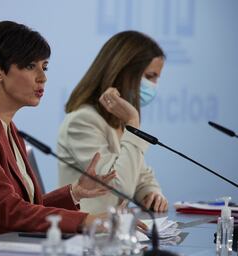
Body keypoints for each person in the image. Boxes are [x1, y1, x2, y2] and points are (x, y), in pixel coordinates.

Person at [0, 21, 121, 239]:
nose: (42, 77)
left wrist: (74, 192)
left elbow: (26, 206)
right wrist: (88, 220)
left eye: (44, 67)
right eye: (29, 66)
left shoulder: (5, 124)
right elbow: (8, 211)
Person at [57, 30, 168, 214]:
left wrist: (151, 192)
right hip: (84, 234)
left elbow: (138, 173)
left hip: (109, 232)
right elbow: (119, 185)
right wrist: (133, 122)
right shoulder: (83, 121)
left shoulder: (117, 120)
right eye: (150, 76)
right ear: (125, 72)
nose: (154, 85)